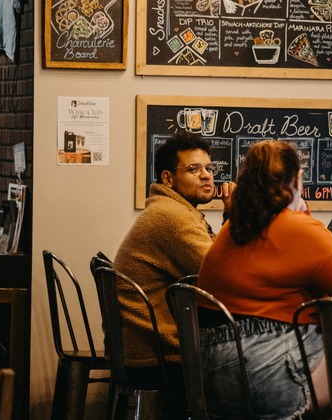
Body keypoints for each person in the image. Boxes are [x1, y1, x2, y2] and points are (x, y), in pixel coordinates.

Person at [197, 140, 332, 418]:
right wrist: (302, 212)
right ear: (296, 181)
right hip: (265, 373)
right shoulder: (295, 227)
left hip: (213, 375)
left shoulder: (233, 226)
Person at [113, 131, 232, 415]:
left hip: (145, 348)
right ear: (168, 178)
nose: (206, 176)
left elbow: (216, 259)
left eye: (208, 168)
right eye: (194, 169)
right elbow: (225, 276)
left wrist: (230, 215)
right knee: (260, 360)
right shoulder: (173, 218)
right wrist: (237, 215)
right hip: (159, 356)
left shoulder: (172, 210)